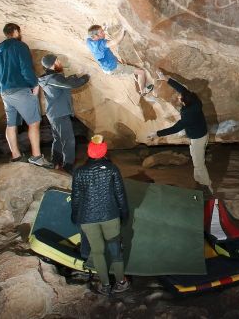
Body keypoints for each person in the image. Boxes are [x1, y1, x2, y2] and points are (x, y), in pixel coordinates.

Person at [71, 135, 131, 295]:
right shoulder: (112, 169)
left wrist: (75, 216)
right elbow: (120, 195)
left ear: (89, 152)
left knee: (97, 252)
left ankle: (105, 285)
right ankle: (121, 282)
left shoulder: (79, 172)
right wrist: (124, 214)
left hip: (88, 219)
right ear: (104, 152)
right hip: (110, 216)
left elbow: (76, 198)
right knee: (115, 250)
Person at [0, 23, 52, 168]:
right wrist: (34, 84)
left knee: (11, 124)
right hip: (21, 89)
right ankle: (36, 156)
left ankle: (16, 156)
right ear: (16, 32)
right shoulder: (20, 46)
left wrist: (2, 90)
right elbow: (26, 69)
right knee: (34, 122)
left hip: (5, 93)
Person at [148, 74, 212, 192]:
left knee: (199, 164)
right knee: (195, 157)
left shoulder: (188, 116)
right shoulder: (195, 101)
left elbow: (175, 128)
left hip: (198, 138)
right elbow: (182, 89)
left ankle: (207, 186)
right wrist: (167, 79)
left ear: (183, 102)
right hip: (202, 134)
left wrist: (157, 134)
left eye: (179, 97)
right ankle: (198, 179)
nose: (178, 96)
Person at [38, 54, 90, 174]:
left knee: (58, 138)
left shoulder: (48, 78)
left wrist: (76, 76)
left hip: (54, 113)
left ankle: (55, 161)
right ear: (52, 64)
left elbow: (65, 81)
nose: (59, 62)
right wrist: (86, 77)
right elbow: (70, 84)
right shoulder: (53, 78)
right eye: (57, 61)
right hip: (59, 113)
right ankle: (68, 167)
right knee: (69, 140)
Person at [85, 25, 153, 96]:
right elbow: (115, 42)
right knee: (141, 72)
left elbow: (90, 34)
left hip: (107, 66)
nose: (104, 33)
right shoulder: (100, 45)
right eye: (101, 32)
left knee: (124, 66)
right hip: (114, 68)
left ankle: (130, 72)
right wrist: (123, 29)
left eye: (102, 31)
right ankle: (143, 91)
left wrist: (102, 29)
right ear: (95, 36)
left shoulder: (89, 41)